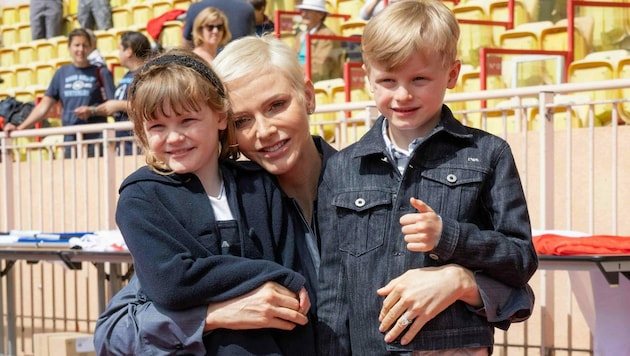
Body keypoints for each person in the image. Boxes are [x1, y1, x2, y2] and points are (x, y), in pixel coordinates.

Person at [93, 36, 534, 355]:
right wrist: (215, 314)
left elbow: (517, 292)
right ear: (224, 124)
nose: (264, 132)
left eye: (276, 105)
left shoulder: (384, 178)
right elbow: (114, 330)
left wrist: (461, 283)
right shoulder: (218, 209)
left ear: (308, 96)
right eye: (243, 120)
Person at [316, 1, 538, 355]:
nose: (403, 94)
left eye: (419, 79)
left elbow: (521, 259)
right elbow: (334, 288)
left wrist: (449, 237)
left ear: (451, 74)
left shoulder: (489, 154)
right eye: (388, 81)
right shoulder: (342, 168)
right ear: (367, 77)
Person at [107, 48, 317, 355]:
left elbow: (292, 296)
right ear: (142, 132)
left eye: (187, 120)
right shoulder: (140, 198)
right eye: (157, 127)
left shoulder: (259, 185)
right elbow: (171, 284)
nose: (174, 137)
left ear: (220, 117)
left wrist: (281, 281)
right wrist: (270, 276)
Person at [3, 28, 115, 158]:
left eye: (85, 45)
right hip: (70, 139)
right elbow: (43, 107)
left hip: (96, 138)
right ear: (69, 47)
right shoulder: (62, 73)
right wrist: (20, 128)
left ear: (91, 48)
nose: (81, 50)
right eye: (77, 45)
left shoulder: (101, 72)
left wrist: (92, 111)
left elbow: (113, 106)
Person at [95, 31, 152, 156]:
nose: (118, 54)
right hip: (124, 142)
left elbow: (150, 105)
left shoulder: (148, 74)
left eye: (120, 49)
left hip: (138, 142)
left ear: (128, 51)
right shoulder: (128, 74)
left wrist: (118, 105)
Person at [293, 0, 343, 82]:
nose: (304, 14)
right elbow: (292, 57)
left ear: (321, 14)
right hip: (299, 78)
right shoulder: (300, 35)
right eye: (303, 10)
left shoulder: (328, 36)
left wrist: (294, 72)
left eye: (308, 11)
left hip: (319, 82)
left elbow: (320, 67)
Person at [181, 0, 255, 49]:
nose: (215, 31)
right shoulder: (247, 8)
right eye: (210, 27)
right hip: (237, 65)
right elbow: (251, 42)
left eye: (219, 27)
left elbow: (186, 43)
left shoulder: (195, 7)